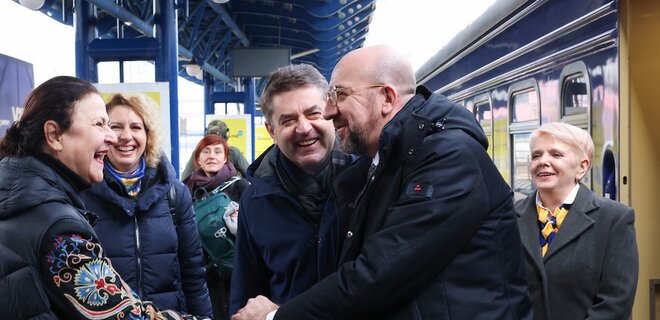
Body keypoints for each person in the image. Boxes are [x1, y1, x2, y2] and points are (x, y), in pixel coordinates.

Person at [232, 45, 532, 320]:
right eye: (288, 120)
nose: (328, 112)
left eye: (340, 95)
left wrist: (275, 318)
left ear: (387, 98)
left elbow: (378, 274)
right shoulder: (386, 163)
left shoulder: (447, 157)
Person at [0, 75, 185, 319]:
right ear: (54, 135)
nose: (113, 136)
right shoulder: (60, 230)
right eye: (100, 124)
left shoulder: (18, 197)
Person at [229, 64, 358, 317]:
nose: (303, 128)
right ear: (271, 130)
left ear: (330, 113)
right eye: (288, 120)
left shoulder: (368, 178)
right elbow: (246, 295)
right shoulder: (255, 199)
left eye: (313, 114)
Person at [79, 93, 213, 317]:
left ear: (148, 135)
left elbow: (193, 273)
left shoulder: (174, 194)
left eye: (136, 127)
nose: (126, 136)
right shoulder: (82, 195)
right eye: (115, 126)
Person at [514, 122, 638, 320]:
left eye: (556, 154)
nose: (543, 161)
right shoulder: (509, 218)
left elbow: (615, 303)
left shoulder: (614, 218)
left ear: (582, 167)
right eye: (537, 155)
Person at [183, 134, 250, 320]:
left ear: (226, 158)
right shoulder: (185, 190)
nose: (212, 156)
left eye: (217, 151)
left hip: (238, 271)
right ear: (198, 158)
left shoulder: (240, 187)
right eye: (206, 151)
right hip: (202, 274)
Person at [182, 119, 250, 179]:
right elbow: (250, 174)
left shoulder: (198, 152)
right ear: (225, 137)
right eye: (207, 152)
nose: (212, 156)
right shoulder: (232, 152)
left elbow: (185, 178)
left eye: (217, 152)